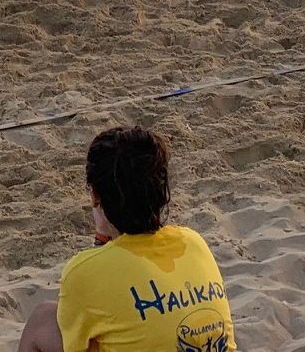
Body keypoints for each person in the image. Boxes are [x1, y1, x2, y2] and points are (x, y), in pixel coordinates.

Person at [15, 126, 235, 352]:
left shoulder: (82, 271)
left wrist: (102, 234)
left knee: (42, 319)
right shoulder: (193, 242)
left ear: (95, 196)